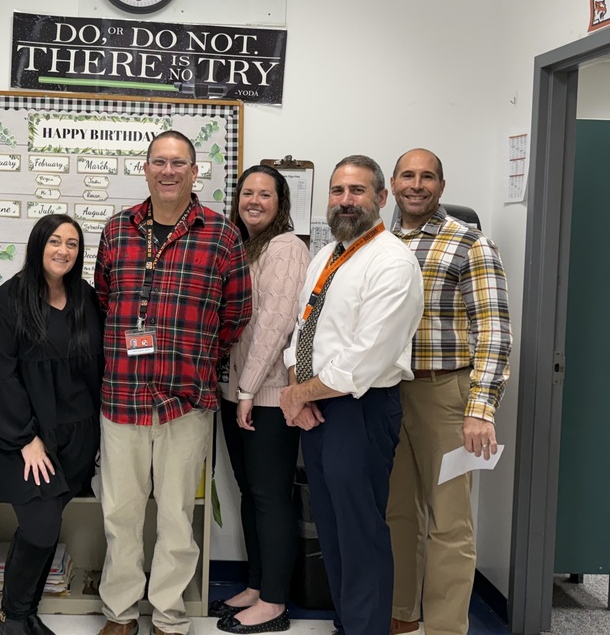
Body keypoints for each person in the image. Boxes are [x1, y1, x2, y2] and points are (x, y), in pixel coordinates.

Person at [94, 130, 252, 635]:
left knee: (178, 517)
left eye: (178, 163)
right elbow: (103, 298)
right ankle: (120, 614)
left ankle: (167, 616)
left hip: (186, 400)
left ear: (194, 172)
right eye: (159, 162)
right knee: (119, 515)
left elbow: (236, 313)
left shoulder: (222, 235)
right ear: (146, 169)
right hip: (123, 396)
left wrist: (197, 358)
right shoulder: (117, 230)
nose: (168, 171)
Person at [279, 155, 423, 635]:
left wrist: (298, 394)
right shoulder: (328, 255)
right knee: (333, 528)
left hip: (360, 409)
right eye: (338, 190)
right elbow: (304, 328)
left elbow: (366, 358)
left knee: (360, 531)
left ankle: (366, 629)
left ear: (381, 198)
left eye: (357, 191)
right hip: (318, 406)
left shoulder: (392, 262)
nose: (345, 200)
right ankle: (348, 623)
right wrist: (299, 392)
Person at [386, 149, 512, 635]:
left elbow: (494, 331)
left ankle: (444, 628)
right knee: (397, 513)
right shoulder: (380, 242)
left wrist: (480, 409)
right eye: (407, 175)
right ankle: (402, 615)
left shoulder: (470, 243)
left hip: (447, 396)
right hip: (388, 394)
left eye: (427, 177)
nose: (416, 185)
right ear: (392, 184)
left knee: (449, 522)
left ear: (441, 185)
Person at [0, 214, 105, 635]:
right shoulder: (7, 302)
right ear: (37, 245)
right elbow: (1, 377)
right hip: (26, 437)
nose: (63, 250)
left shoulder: (85, 297)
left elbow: (96, 367)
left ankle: (26, 612)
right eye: (54, 241)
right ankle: (11, 616)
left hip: (77, 436)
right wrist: (26, 438)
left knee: (50, 524)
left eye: (72, 243)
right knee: (42, 526)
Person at [211, 165, 310, 634]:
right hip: (238, 394)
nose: (254, 201)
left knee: (270, 497)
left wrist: (248, 390)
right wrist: (236, 391)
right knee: (251, 493)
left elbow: (275, 323)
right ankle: (256, 586)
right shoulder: (246, 246)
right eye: (247, 193)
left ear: (281, 203)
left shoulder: (287, 248)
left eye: (265, 194)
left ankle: (274, 602)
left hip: (266, 397)